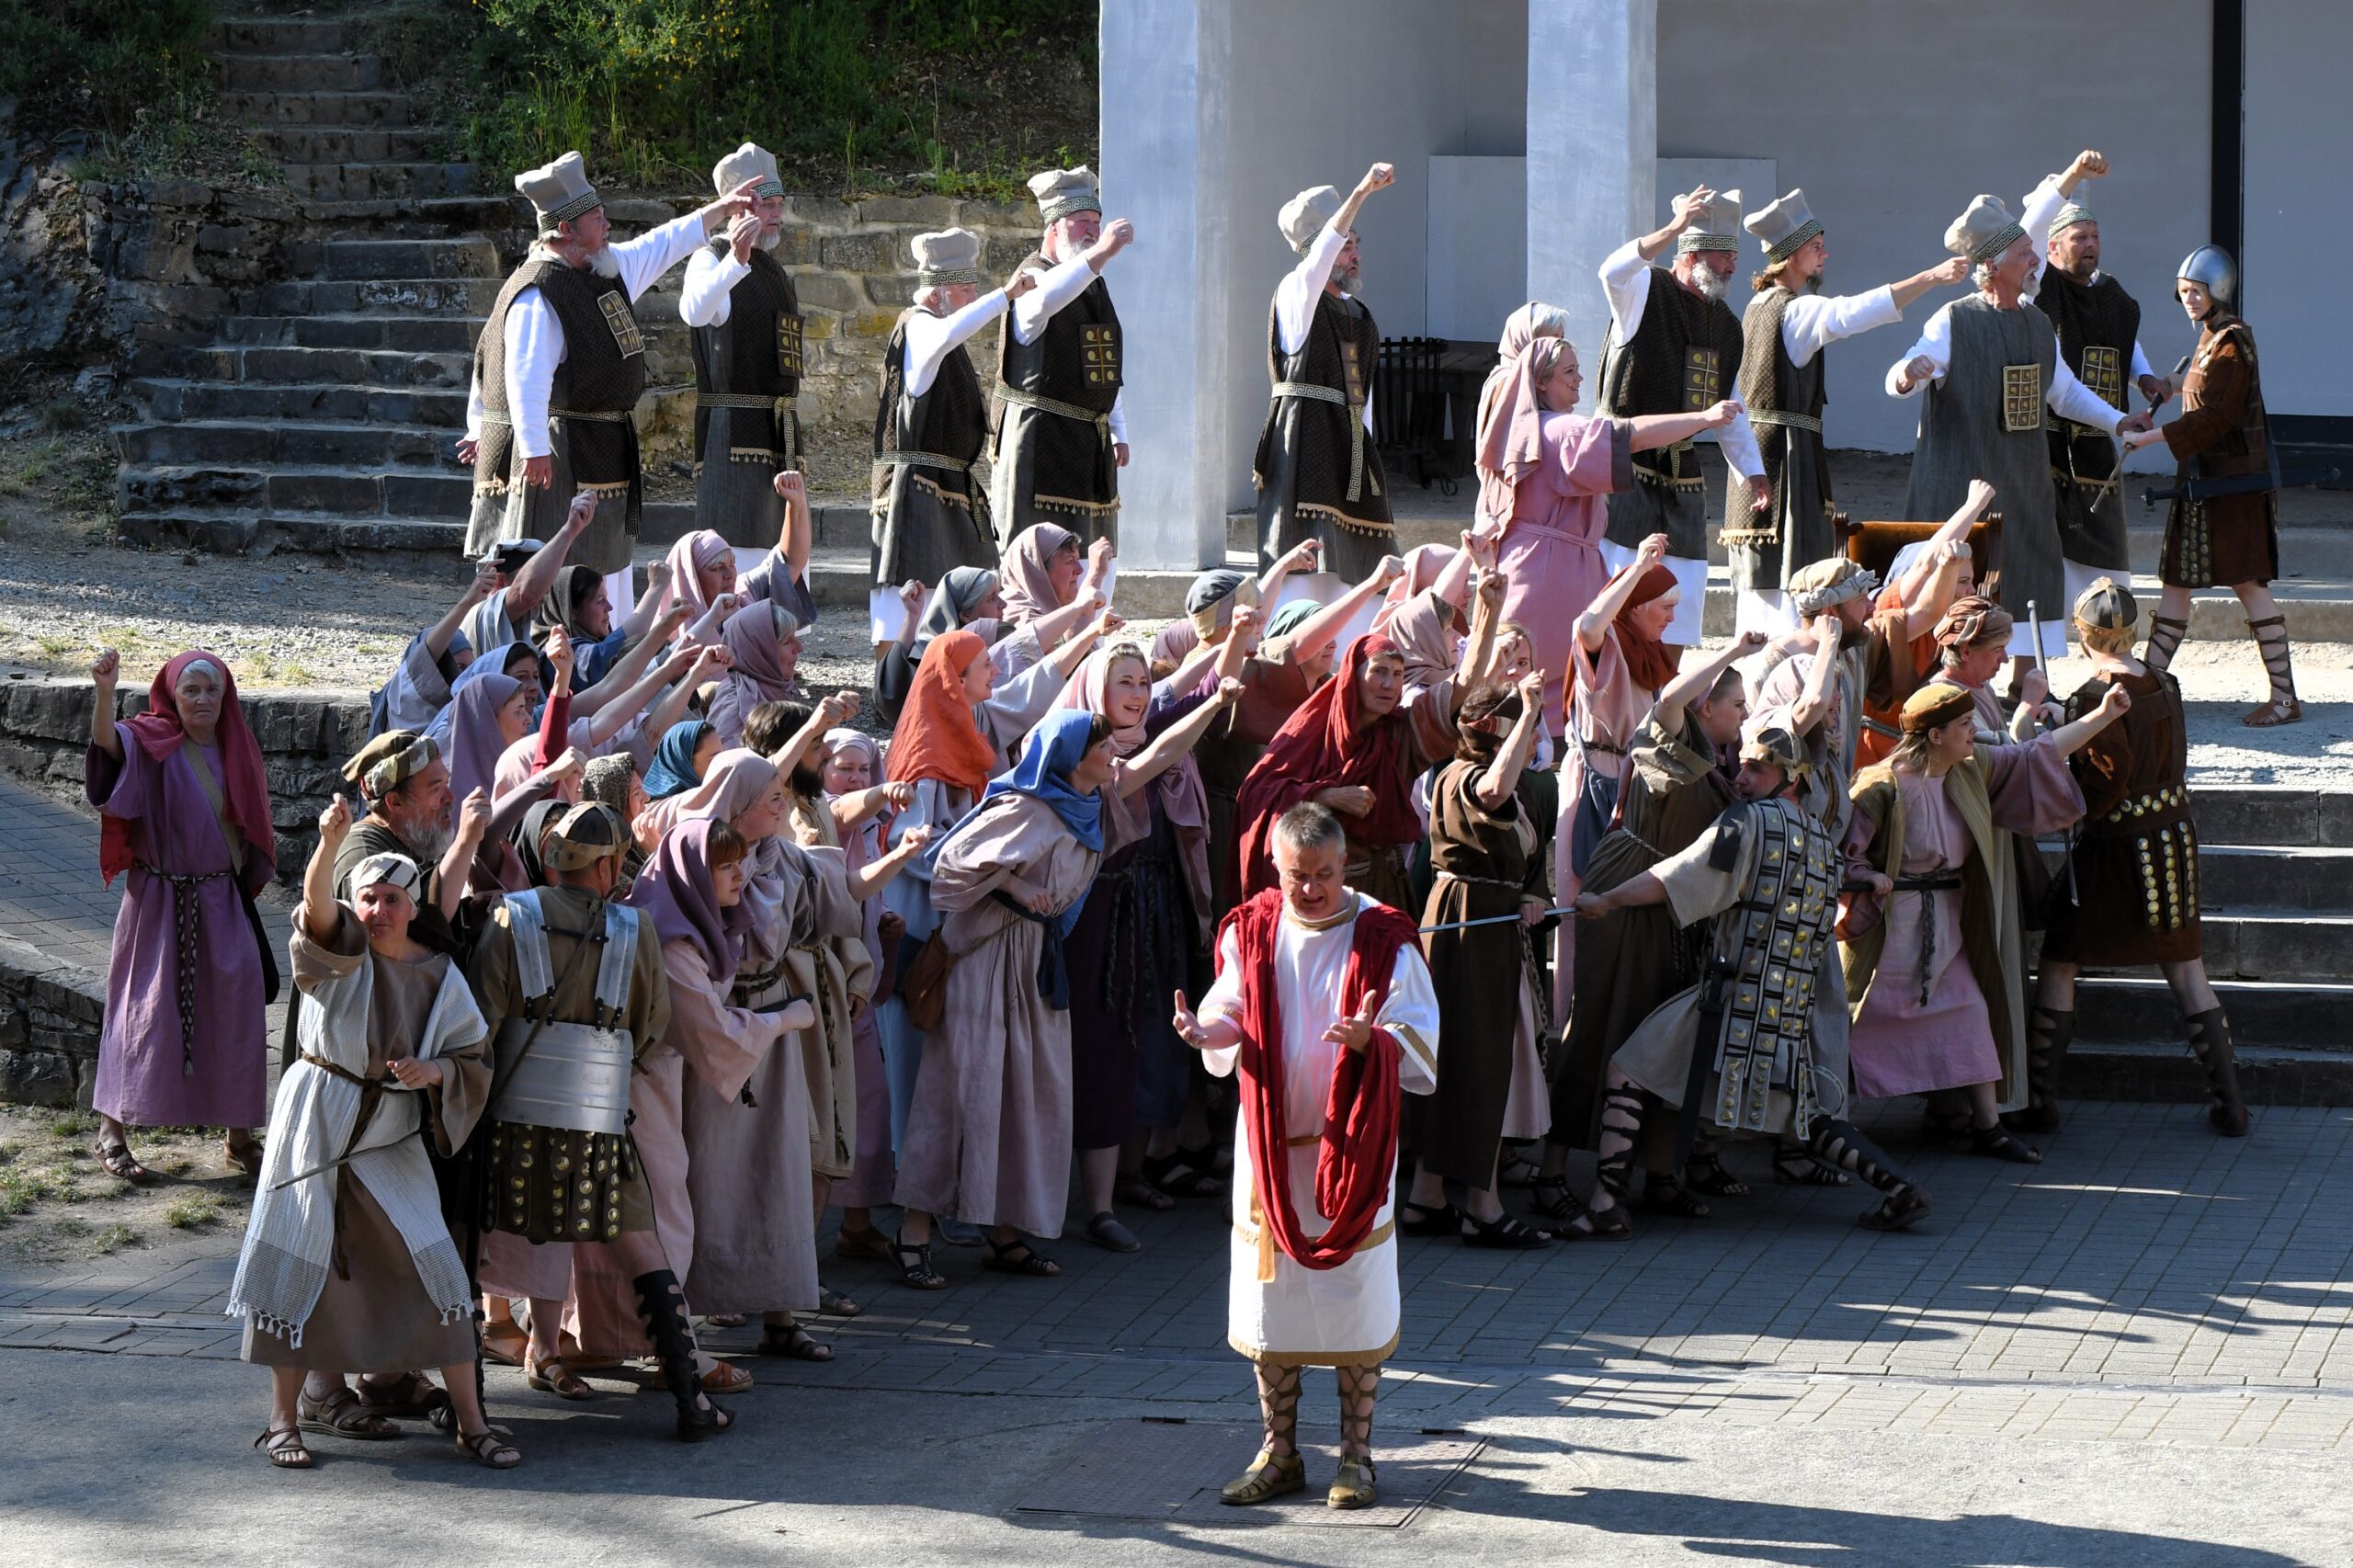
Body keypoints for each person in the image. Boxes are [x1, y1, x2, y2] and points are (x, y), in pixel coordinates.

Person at [1171, 802, 1440, 1511]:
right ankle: (1279, 1452)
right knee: (1273, 1308)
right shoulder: (1253, 927)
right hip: (1267, 1152)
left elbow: (1418, 1034)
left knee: (1352, 1300)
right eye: (1298, 876)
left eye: (1324, 875)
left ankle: (1357, 1457)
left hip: (1352, 1151)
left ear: (1344, 863)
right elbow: (1232, 1009)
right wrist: (1205, 1030)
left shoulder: (1382, 935)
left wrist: (1371, 1041)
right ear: (1277, 868)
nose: (1311, 890)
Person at [233, 801, 514, 1471]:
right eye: (367, 898)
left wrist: (435, 1070)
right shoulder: (341, 952)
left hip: (388, 1133)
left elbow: (474, 1058)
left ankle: (473, 1424)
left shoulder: (440, 976)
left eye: (391, 898)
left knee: (436, 1268)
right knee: (300, 1263)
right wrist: (328, 845)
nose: (378, 910)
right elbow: (315, 912)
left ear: (412, 906)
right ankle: (281, 1422)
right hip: (320, 1120)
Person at [1567, 726, 1930, 1237]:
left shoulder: (1747, 821)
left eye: (1755, 768)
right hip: (1788, 1011)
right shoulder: (1821, 841)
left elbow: (1680, 876)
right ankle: (1899, 1187)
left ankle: (1605, 1204)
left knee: (1628, 1072)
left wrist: (1607, 899)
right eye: (1742, 766)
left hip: (1730, 1002)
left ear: (1792, 777)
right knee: (1805, 1117)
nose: (1739, 778)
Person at [462, 802, 730, 1440]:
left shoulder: (509, 915)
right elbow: (649, 1029)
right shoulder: (636, 930)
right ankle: (691, 1401)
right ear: (610, 864)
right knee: (645, 1250)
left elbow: (480, 1021)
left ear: (553, 857)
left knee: (466, 1251)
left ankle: (463, 1406)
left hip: (510, 1127)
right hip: (600, 1127)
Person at [1840, 680, 2129, 1162]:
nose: (1974, 731)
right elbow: (1845, 856)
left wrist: (2102, 717)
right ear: (1935, 736)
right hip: (1893, 933)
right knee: (1860, 1022)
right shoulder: (1879, 786)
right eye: (1962, 725)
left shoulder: (1969, 770)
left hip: (1949, 927)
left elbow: (2038, 751)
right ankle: (1832, 1124)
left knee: (1970, 1013)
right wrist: (1867, 875)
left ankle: (1988, 1127)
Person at [565, 818, 798, 1390]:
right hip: (633, 1090)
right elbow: (710, 1032)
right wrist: (784, 1018)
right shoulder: (671, 942)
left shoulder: (682, 924)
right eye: (724, 864)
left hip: (637, 1084)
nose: (740, 872)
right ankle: (677, 1355)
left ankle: (597, 1340)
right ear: (695, 872)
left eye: (740, 860)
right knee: (661, 1214)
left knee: (627, 1216)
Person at [892, 709, 1120, 1288]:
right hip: (986, 961)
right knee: (961, 1089)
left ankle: (1002, 1232)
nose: (1113, 749)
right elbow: (947, 867)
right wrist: (1015, 883)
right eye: (1102, 743)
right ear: (1071, 757)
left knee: (1022, 1094)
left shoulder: (1087, 809)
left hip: (1033, 965)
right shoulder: (1027, 807)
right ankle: (913, 1232)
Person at [1539, 632, 1761, 1222]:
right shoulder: (1672, 739)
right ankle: (1552, 1172)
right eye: (1736, 705)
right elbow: (1668, 702)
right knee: (1599, 1025)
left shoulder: (1719, 766)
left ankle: (1659, 1175)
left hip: (1669, 905)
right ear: (1704, 708)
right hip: (1624, 894)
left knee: (1662, 1032)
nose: (1744, 717)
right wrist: (1732, 651)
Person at [462, 152, 764, 580]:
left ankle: (599, 642)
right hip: (557, 452)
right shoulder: (539, 292)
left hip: (597, 443)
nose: (607, 225)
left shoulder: (603, 267)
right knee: (550, 566)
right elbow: (523, 375)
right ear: (565, 230)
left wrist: (722, 209)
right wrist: (531, 448)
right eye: (596, 217)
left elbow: (662, 243)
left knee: (601, 569)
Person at [1888, 191, 2145, 672]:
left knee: (2031, 577)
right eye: (2026, 253)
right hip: (1960, 488)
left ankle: (2028, 689)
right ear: (1995, 265)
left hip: (2024, 487)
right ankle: (1942, 681)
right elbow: (1902, 370)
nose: (2034, 260)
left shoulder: (2038, 322)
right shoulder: (1954, 320)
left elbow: (2063, 392)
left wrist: (2117, 420)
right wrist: (1907, 375)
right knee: (1957, 582)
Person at [2031, 578, 2248, 1136]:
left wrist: (2064, 749)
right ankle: (2232, 1104)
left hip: (2117, 853)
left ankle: (2039, 1102)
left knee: (2060, 958)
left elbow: (2104, 789)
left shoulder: (2094, 696)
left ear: (2084, 634)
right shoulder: (2166, 681)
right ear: (2133, 629)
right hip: (2173, 841)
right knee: (2187, 970)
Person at [1054, 644, 1245, 1251]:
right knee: (1098, 1047)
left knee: (1146, 1041)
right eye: (1123, 683)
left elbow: (1174, 709)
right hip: (1095, 918)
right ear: (1096, 691)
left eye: (1142, 682)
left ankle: (1126, 1181)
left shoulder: (1147, 741)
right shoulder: (1079, 758)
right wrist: (1217, 698)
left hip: (1152, 909)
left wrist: (1232, 644)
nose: (1137, 694)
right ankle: (1078, 1201)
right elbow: (1169, 742)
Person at [1474, 322, 1744, 731]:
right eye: (1568, 371)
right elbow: (1631, 434)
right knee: (1558, 688)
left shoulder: (1525, 430)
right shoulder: (1561, 430)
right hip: (1551, 575)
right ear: (1542, 382)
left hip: (1525, 565)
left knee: (1526, 687)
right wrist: (1702, 418)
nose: (1579, 377)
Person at [1726, 188, 1970, 634]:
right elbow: (1853, 313)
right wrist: (1930, 278)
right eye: (1816, 248)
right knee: (1788, 575)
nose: (1825, 255)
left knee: (1766, 580)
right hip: (1785, 460)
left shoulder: (1756, 307)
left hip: (1758, 454)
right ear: (1792, 254)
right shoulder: (1793, 310)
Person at [85, 648, 276, 1185]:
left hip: (220, 900)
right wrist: (104, 693)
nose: (203, 700)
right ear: (172, 695)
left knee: (236, 1012)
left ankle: (239, 1137)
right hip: (158, 901)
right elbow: (106, 745)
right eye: (192, 689)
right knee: (139, 1014)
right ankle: (111, 1131)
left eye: (212, 690)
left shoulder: (239, 748)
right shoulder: (150, 743)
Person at [1404, 670, 1553, 1246]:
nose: (1534, 734)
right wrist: (1528, 708)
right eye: (1525, 726)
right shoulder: (1462, 775)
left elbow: (1521, 850)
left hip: (1485, 925)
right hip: (1467, 926)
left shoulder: (1494, 782)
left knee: (1468, 1057)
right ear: (1491, 728)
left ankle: (1427, 1196)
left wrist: (1535, 892)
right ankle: (1482, 1208)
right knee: (1477, 1059)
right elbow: (1490, 792)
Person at [2119, 244, 2298, 725]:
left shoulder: (2232, 342)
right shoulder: (2210, 338)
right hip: (2201, 484)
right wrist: (2167, 386)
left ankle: (2284, 698)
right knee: (2175, 582)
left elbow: (2217, 415)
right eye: (2183, 293)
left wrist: (2151, 438)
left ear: (2217, 291)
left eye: (2196, 291)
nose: (2190, 300)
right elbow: (2204, 388)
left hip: (2233, 488)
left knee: (2248, 585)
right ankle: (2143, 692)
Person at [1594, 184, 1766, 647]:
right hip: (1622, 463)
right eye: (1722, 256)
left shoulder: (1727, 325)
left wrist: (1753, 471)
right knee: (1615, 584)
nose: (1733, 266)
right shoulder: (1643, 291)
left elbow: (1731, 406)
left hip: (1681, 471)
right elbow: (1610, 270)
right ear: (1690, 255)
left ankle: (1671, 695)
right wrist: (1671, 227)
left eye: (1733, 256)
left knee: (1683, 590)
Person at [870, 228, 1038, 648]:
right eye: (965, 289)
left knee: (971, 592)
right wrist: (1004, 296)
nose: (971, 296)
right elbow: (944, 336)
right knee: (912, 593)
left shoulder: (940, 332)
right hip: (917, 490)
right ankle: (894, 691)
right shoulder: (920, 329)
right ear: (936, 293)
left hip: (949, 485)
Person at [2025, 151, 2173, 617]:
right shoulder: (2039, 285)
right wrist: (2070, 176)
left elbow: (2123, 339)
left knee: (2105, 557)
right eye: (2078, 237)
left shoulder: (2114, 295)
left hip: (2100, 441)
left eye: (2094, 236)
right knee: (2044, 553)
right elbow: (2024, 231)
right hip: (2045, 441)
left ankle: (2109, 647)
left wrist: (2144, 376)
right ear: (2051, 249)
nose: (2090, 244)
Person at [1254, 163, 1399, 580]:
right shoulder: (1296, 293)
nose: (1356, 255)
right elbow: (1317, 261)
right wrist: (1362, 191)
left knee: (1363, 554)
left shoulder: (1360, 314)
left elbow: (1362, 398)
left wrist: (1366, 447)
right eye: (1347, 244)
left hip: (1350, 444)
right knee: (1307, 553)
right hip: (1304, 438)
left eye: (1357, 244)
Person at [990, 166, 1135, 547]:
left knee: (1090, 559)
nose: (1093, 230)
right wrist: (1102, 253)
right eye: (1082, 221)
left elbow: (1103, 360)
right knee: (1037, 559)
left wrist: (1119, 427)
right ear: (1053, 227)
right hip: (1039, 442)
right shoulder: (1031, 277)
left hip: (1088, 441)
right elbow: (1045, 298)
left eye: (1097, 222)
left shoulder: (1092, 284)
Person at [1233, 633, 1426, 914]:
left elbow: (1458, 695)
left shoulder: (1395, 731)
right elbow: (1257, 792)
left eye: (1398, 674)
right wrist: (1326, 795)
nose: (1389, 684)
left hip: (1379, 892)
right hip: (1312, 895)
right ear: (1352, 675)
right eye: (1379, 672)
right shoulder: (1310, 725)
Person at [679, 143, 807, 560]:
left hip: (779, 432)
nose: (776, 213)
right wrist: (734, 260)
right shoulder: (709, 257)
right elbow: (695, 310)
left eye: (779, 203)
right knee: (738, 554)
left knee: (784, 551)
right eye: (766, 204)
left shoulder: (773, 268)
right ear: (737, 209)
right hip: (731, 435)